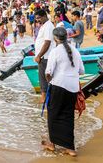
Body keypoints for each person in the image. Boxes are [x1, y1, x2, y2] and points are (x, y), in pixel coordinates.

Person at [43, 27, 84, 157]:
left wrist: (49, 81)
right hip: (73, 87)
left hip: (58, 86)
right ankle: (70, 148)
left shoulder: (55, 52)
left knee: (53, 114)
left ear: (55, 38)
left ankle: (52, 144)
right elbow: (81, 71)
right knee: (68, 116)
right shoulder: (75, 51)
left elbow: (48, 72)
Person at [34, 10, 55, 103]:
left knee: (44, 78)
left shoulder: (48, 26)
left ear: (44, 16)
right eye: (36, 19)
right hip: (43, 57)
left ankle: (44, 98)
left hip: (45, 57)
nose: (37, 20)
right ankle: (45, 98)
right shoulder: (44, 26)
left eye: (38, 18)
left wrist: (39, 55)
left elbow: (47, 42)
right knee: (43, 77)